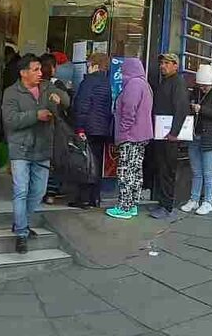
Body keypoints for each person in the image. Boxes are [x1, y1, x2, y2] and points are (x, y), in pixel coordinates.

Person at [2, 54, 69, 252]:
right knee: (20, 191)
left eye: (41, 69)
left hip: (43, 147)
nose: (40, 73)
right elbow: (10, 120)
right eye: (35, 70)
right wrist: (35, 115)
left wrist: (61, 98)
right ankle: (22, 232)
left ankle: (21, 222)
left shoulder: (47, 87)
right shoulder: (11, 93)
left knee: (38, 192)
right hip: (20, 148)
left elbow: (66, 100)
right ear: (23, 73)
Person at [108, 58, 154, 219]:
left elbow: (129, 111)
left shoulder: (133, 85)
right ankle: (133, 205)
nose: (121, 73)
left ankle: (124, 207)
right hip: (141, 136)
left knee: (125, 171)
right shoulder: (144, 84)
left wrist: (122, 131)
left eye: (123, 69)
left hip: (130, 136)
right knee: (135, 171)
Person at [181, 64, 212, 216]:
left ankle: (207, 201)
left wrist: (201, 109)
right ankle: (194, 199)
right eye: (200, 86)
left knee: (208, 171)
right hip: (195, 135)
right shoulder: (195, 92)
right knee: (196, 171)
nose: (202, 88)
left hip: (211, 137)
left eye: (205, 86)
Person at [150, 53, 189, 220]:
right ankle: (162, 201)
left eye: (167, 63)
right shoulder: (165, 82)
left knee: (167, 170)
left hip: (169, 136)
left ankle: (167, 205)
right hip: (160, 133)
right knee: (161, 168)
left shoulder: (178, 82)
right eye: (162, 63)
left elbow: (181, 108)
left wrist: (174, 133)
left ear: (175, 66)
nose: (163, 66)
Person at [71, 52, 112, 209]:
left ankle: (83, 199)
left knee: (85, 164)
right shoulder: (106, 83)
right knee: (96, 163)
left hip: (88, 128)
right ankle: (94, 198)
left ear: (94, 65)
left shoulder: (88, 82)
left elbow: (82, 106)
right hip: (101, 129)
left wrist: (80, 127)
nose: (87, 67)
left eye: (88, 64)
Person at [40, 53, 71, 203]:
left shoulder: (31, 84)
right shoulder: (57, 85)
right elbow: (67, 103)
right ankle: (50, 193)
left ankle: (37, 191)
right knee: (54, 160)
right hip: (54, 127)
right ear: (53, 68)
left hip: (35, 128)